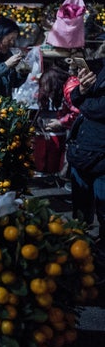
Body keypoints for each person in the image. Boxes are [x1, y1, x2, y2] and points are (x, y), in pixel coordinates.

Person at [67, 63, 104, 245]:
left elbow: (99, 109)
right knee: (80, 211)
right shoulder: (99, 68)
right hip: (82, 150)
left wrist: (83, 100)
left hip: (101, 154)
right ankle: (79, 245)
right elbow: (74, 98)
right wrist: (82, 90)